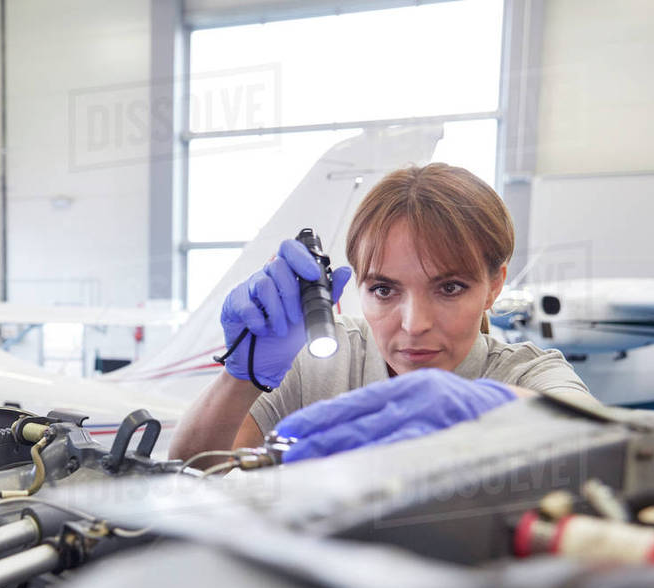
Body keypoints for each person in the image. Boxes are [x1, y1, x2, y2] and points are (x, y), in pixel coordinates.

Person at [169, 162, 592, 465]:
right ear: (358, 287)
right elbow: (198, 468)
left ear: (494, 286)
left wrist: (477, 406)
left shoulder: (525, 374)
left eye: (450, 288)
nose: (414, 324)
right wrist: (239, 379)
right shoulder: (319, 363)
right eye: (384, 289)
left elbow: (605, 440)